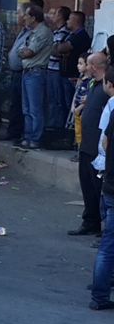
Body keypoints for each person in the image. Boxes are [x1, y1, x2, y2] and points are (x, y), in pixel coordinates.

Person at [71, 53, 109, 236]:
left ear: (93, 66)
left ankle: (105, 226)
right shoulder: (92, 83)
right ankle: (90, 221)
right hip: (86, 143)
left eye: (87, 64)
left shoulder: (107, 86)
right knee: (87, 184)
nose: (85, 67)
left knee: (99, 187)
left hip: (98, 146)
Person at [89, 67, 114, 310]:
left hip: (109, 184)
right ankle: (100, 294)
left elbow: (105, 141)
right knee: (108, 246)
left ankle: (100, 292)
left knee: (108, 244)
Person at [18, 5, 54, 150]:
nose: (24, 18)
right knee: (26, 108)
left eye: (27, 15)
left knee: (35, 109)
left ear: (33, 18)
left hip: (36, 72)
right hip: (27, 72)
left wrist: (22, 52)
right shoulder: (31, 32)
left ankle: (35, 139)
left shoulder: (43, 32)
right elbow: (21, 51)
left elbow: (28, 52)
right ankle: (28, 137)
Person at [3, 3, 32, 142]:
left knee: (22, 105)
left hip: (24, 72)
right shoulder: (22, 30)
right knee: (14, 103)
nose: (16, 16)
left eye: (18, 13)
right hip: (15, 72)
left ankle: (20, 133)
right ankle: (13, 131)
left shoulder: (32, 32)